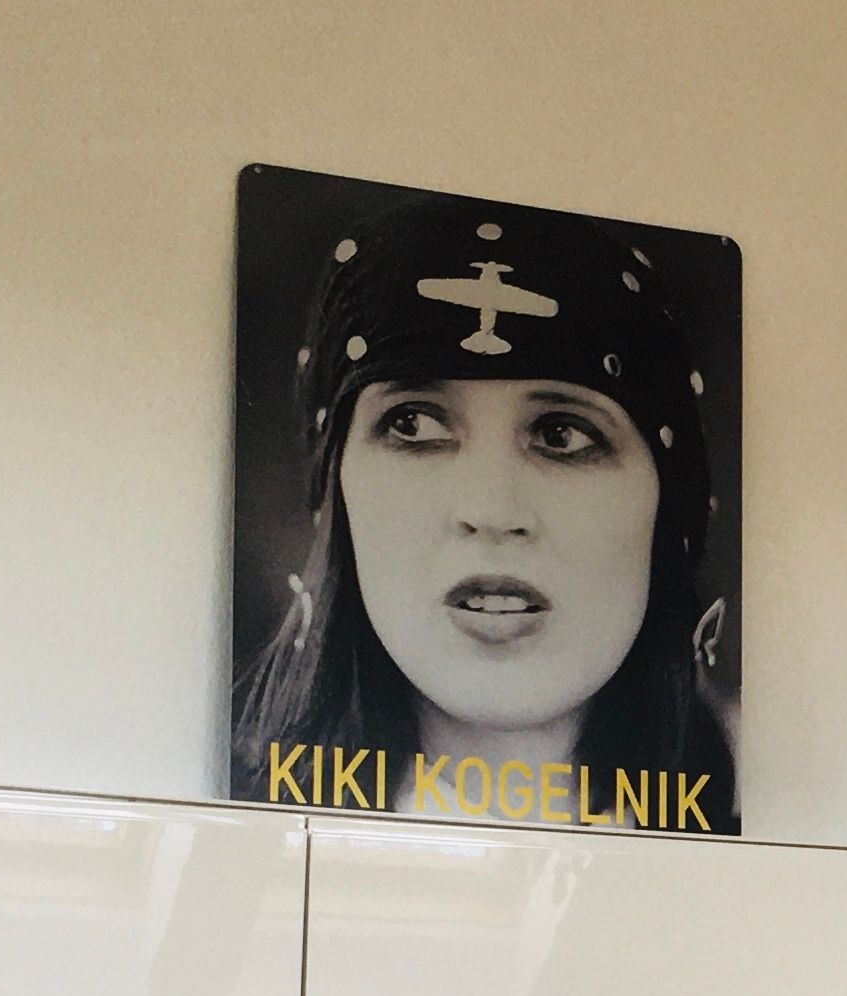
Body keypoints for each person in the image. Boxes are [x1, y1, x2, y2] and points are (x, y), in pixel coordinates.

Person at [234, 193, 734, 828]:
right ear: (337, 492)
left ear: (670, 508)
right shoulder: (234, 864)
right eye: (412, 425)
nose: (492, 510)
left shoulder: (776, 857)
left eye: (562, 435)